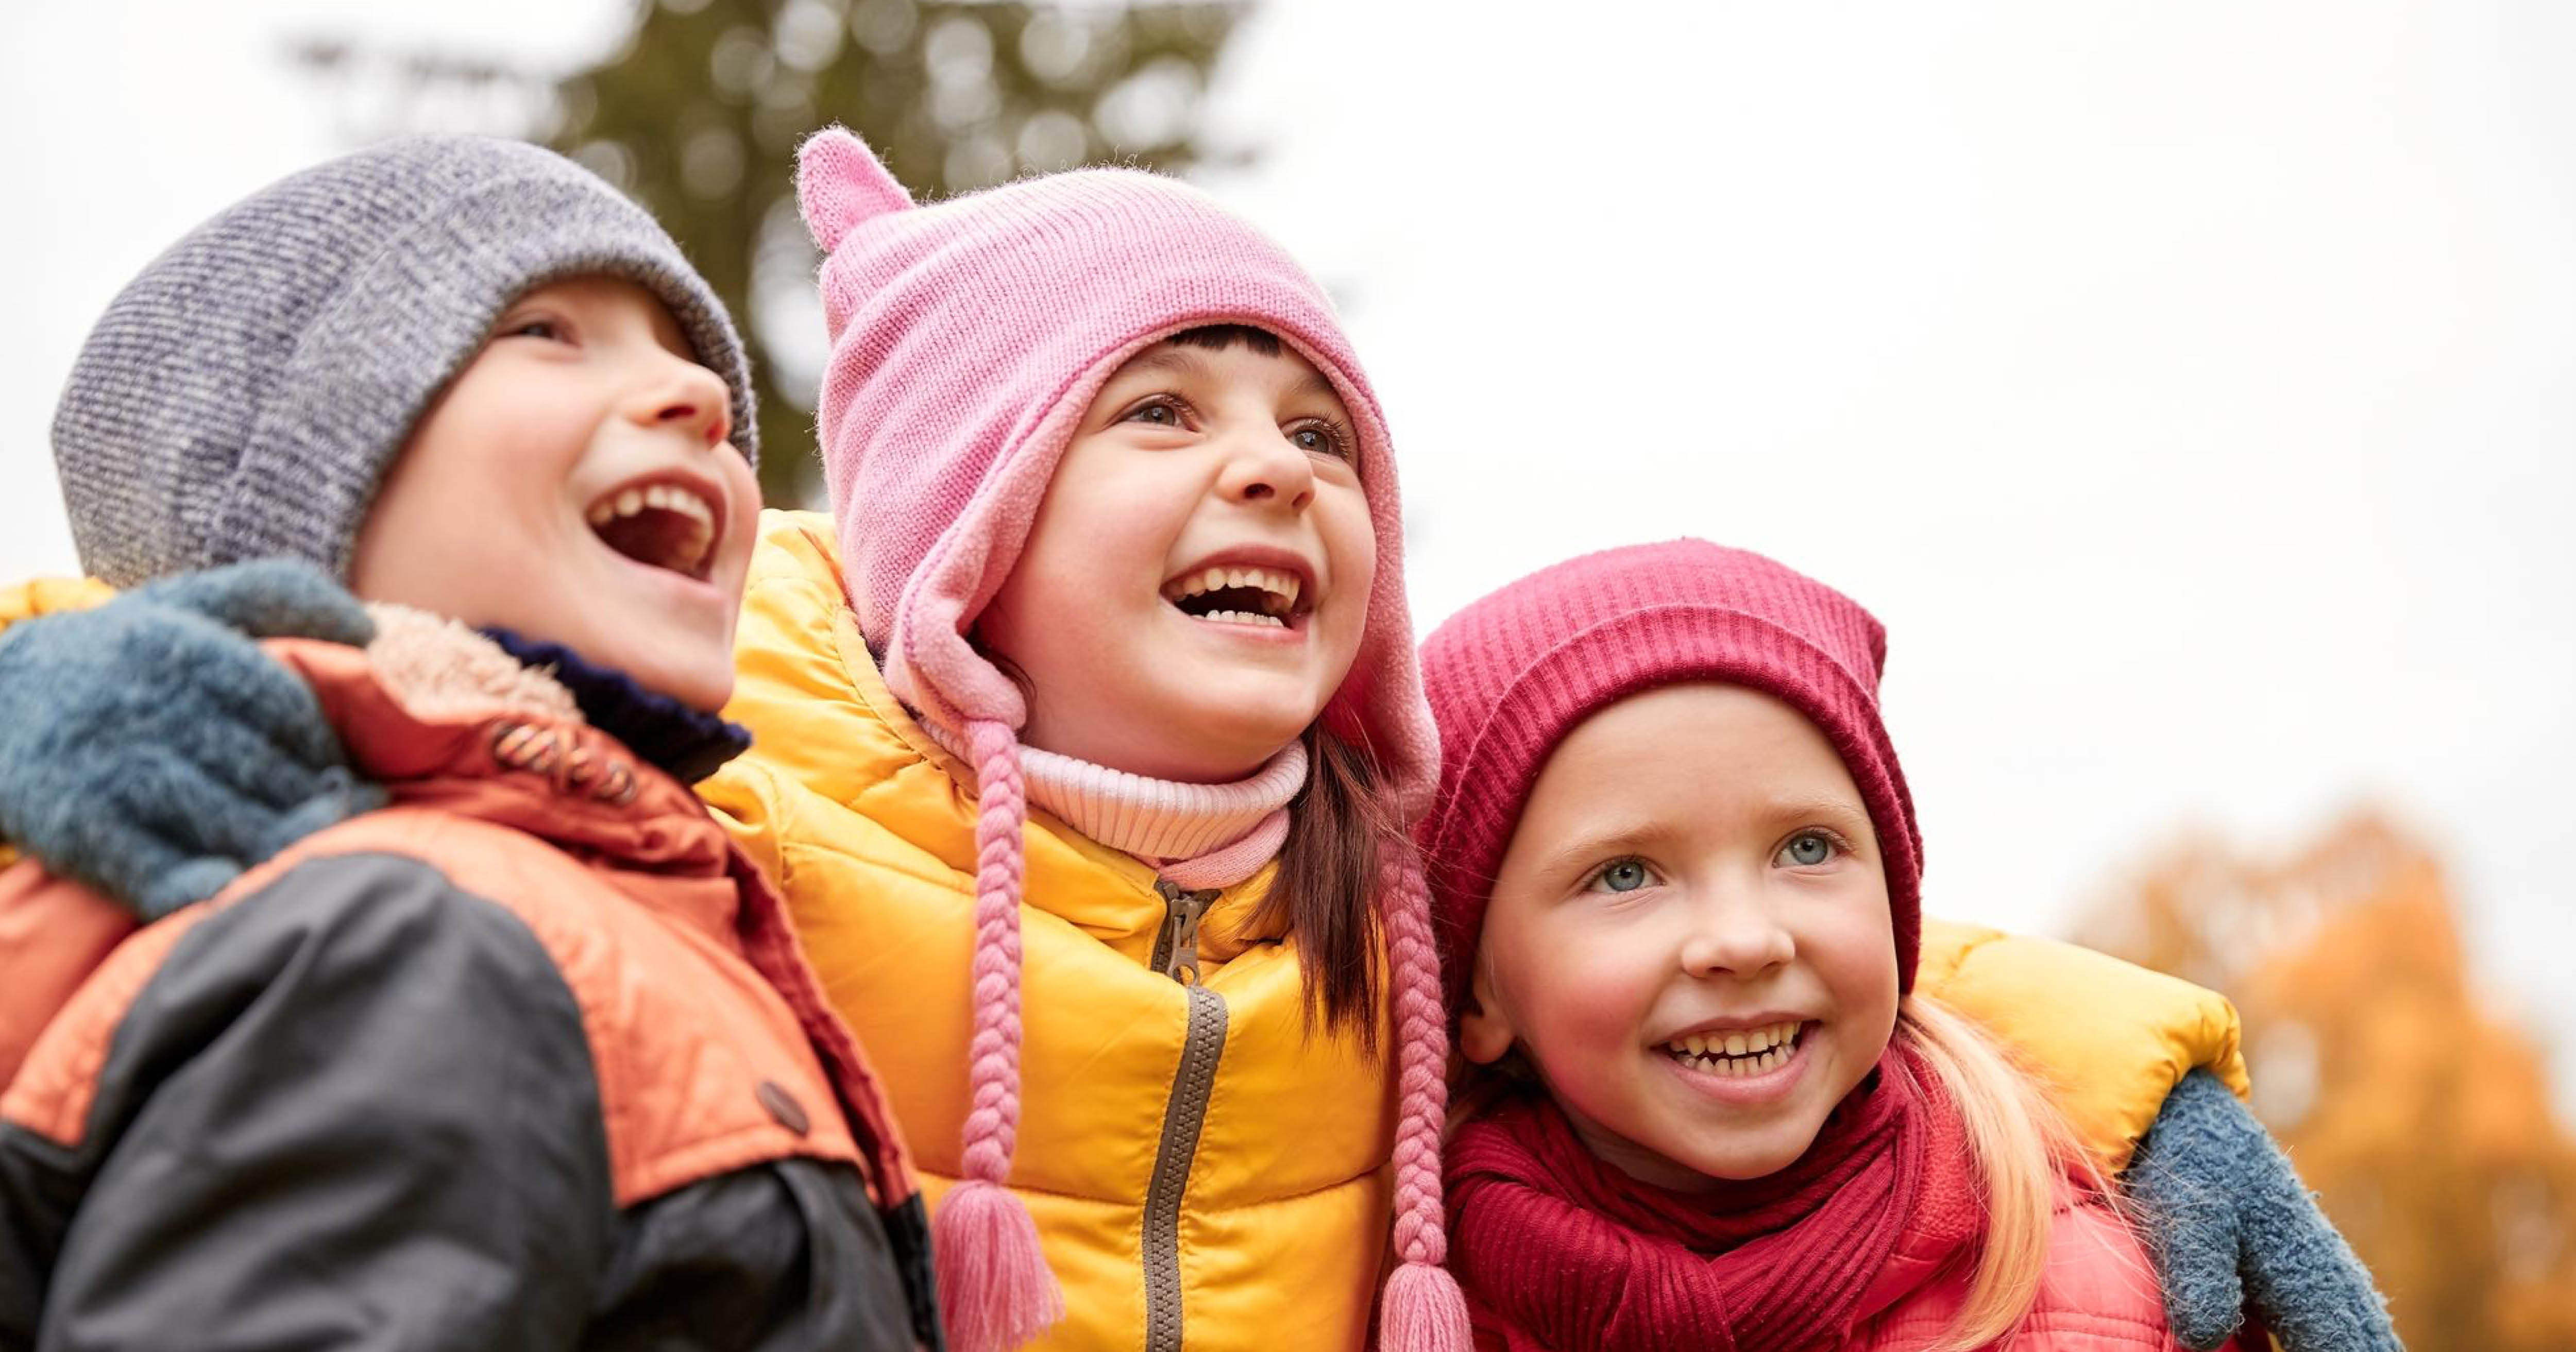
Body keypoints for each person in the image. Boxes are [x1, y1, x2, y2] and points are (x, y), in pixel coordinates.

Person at [0, 131, 2385, 1352]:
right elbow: (393, 643)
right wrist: (120, 667)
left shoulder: (1400, 884)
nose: (1272, 467)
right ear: (961, 528)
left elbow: (1737, 880)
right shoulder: (748, 773)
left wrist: (2125, 1068)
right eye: (1158, 409)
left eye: (1318, 428)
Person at [0, 137, 938, 1349]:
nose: (704, 397)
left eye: (687, 354)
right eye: (546, 331)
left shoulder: (575, 901)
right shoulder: (416, 938)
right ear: (290, 489)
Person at [1413, 540, 2396, 1351]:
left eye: (1807, 848)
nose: (1745, 939)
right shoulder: (1392, 1287)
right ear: (1480, 994)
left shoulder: (2105, 1275)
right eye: (1626, 873)